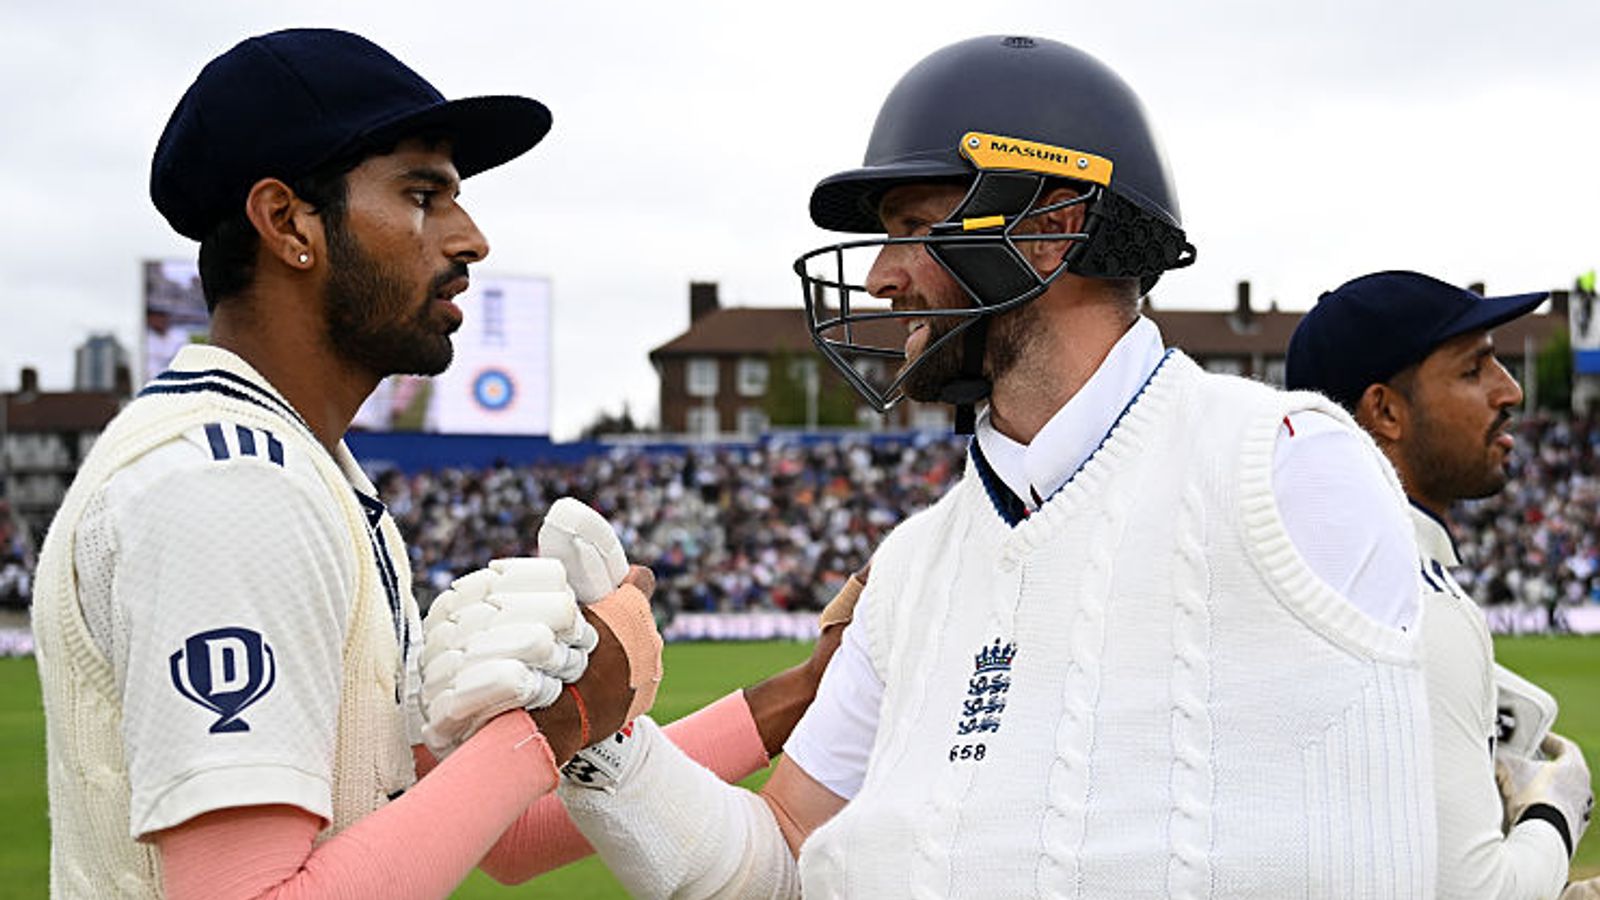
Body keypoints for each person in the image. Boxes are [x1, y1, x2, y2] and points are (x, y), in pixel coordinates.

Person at [558, 35, 1438, 897]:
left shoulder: (1286, 463)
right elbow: (784, 853)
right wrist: (605, 741)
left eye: (911, 228)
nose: (878, 278)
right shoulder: (909, 565)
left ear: (1049, 230)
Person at [30, 28, 846, 900]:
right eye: (423, 194)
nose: (471, 239)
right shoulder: (229, 482)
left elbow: (501, 833)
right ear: (286, 223)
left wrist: (798, 695)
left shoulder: (309, 468)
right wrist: (555, 721)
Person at [1287, 270, 1595, 899]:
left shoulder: (1292, 570)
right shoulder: (1417, 605)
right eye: (1473, 369)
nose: (1510, 390)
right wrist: (1556, 811)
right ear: (1387, 411)